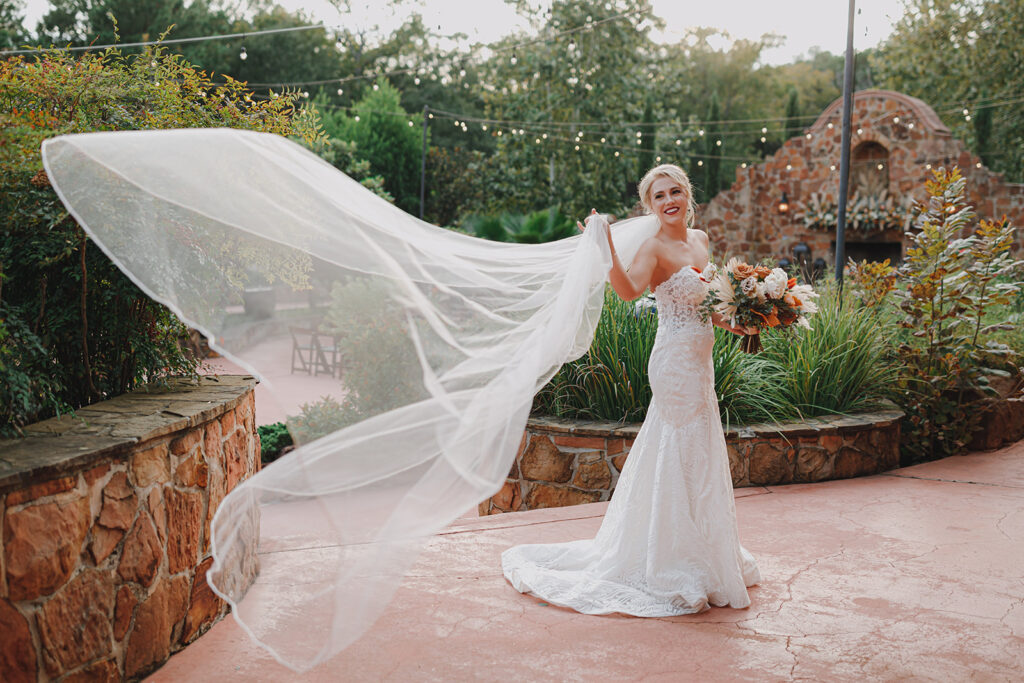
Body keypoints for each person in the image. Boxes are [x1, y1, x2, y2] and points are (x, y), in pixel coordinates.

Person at [501, 164, 762, 616]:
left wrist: (743, 323)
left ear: (687, 194)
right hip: (673, 363)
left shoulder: (700, 241)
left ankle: (700, 550)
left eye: (674, 191)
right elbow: (627, 291)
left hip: (700, 364)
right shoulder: (653, 247)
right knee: (677, 447)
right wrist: (604, 247)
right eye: (659, 196)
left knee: (698, 450)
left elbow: (707, 307)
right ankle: (668, 558)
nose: (669, 200)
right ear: (649, 206)